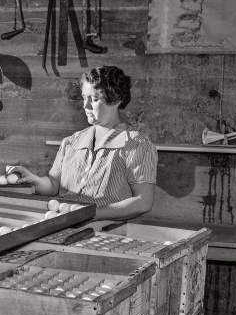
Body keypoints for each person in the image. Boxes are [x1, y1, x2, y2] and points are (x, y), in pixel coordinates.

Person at [13, 66, 157, 221]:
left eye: (94, 99)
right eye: (84, 98)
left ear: (115, 100)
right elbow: (54, 185)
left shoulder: (136, 145)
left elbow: (143, 202)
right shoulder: (71, 142)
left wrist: (90, 214)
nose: (85, 106)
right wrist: (35, 180)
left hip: (104, 234)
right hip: (61, 225)